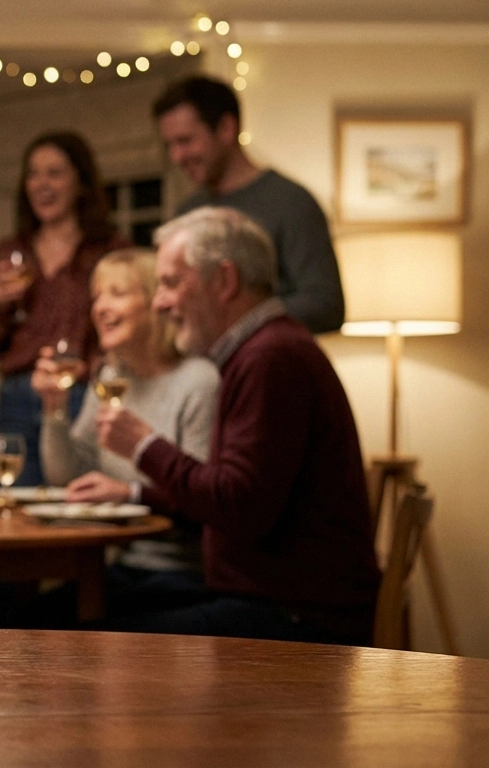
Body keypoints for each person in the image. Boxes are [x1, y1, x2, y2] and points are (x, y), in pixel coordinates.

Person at [95, 206, 380, 645]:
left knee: (92, 645)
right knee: (78, 620)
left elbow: (240, 507)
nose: (159, 302)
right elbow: (238, 495)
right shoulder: (262, 350)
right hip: (270, 604)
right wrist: (142, 483)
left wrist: (145, 446)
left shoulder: (270, 358)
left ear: (224, 281)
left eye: (171, 282)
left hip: (295, 619)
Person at [10, 248, 218, 627]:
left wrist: (126, 493)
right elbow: (67, 476)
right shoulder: (110, 378)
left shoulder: (198, 381)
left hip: (179, 574)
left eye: (117, 293)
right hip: (115, 566)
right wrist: (54, 409)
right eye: (98, 296)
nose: (101, 307)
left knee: (56, 632)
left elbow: (205, 499)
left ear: (155, 301)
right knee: (23, 621)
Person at [0, 131, 128, 486]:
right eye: (33, 174)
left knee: (74, 500)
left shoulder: (107, 250)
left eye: (54, 173)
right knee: (14, 505)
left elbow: (124, 330)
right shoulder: (11, 250)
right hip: (17, 393)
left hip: (80, 394)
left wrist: (97, 368)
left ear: (81, 182)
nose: (41, 184)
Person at [153, 75, 345, 334]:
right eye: (170, 145)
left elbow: (325, 306)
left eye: (186, 141)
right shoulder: (188, 212)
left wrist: (238, 317)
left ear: (226, 128)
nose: (177, 157)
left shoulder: (291, 202)